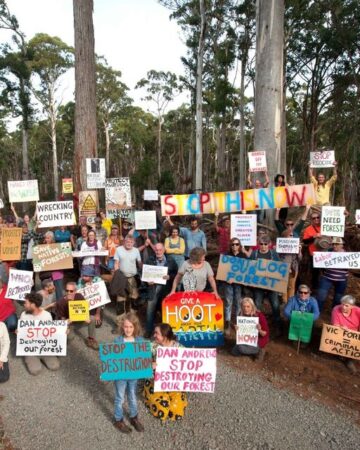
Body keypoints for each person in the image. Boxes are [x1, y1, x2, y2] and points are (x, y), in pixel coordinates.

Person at [143, 323, 187, 421]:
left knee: (177, 411)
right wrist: (150, 365)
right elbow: (139, 360)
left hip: (173, 383)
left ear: (165, 336)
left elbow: (188, 366)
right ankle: (149, 396)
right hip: (154, 381)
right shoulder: (151, 346)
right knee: (162, 407)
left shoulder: (179, 348)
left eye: (156, 333)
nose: (154, 335)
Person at [113, 313, 145, 433]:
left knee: (132, 395)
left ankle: (134, 417)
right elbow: (111, 358)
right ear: (122, 327)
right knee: (120, 397)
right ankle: (118, 419)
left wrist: (150, 364)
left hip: (133, 375)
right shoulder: (118, 341)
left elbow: (143, 358)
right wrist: (107, 369)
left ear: (135, 327)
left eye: (131, 327)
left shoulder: (140, 341)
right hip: (120, 376)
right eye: (126, 326)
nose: (128, 329)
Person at [20, 292, 60, 375]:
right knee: (35, 371)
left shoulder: (47, 315)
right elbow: (22, 333)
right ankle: (33, 358)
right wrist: (19, 332)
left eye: (26, 303)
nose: (24, 305)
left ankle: (44, 356)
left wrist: (63, 332)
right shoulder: (23, 315)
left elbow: (51, 333)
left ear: (33, 305)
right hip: (31, 349)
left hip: (45, 347)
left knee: (55, 366)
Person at [143, 243, 178, 338]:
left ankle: (165, 333)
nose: (158, 252)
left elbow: (177, 274)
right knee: (150, 311)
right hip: (153, 289)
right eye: (156, 250)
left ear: (164, 250)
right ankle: (149, 331)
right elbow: (144, 274)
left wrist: (170, 276)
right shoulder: (149, 260)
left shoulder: (171, 260)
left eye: (160, 250)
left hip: (166, 290)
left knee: (165, 311)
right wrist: (147, 281)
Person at [250, 236, 282, 335]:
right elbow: (250, 268)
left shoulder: (273, 254)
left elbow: (279, 267)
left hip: (271, 285)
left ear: (269, 244)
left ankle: (278, 327)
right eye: (261, 244)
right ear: (258, 244)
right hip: (258, 285)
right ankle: (255, 327)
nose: (263, 246)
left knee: (275, 305)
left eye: (265, 244)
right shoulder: (254, 254)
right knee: (257, 305)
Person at [56, 281, 99, 350]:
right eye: (67, 290)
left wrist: (86, 317)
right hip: (70, 324)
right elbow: (62, 320)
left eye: (71, 291)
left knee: (92, 318)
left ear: (75, 291)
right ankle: (65, 337)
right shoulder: (61, 302)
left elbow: (84, 310)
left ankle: (91, 339)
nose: (68, 293)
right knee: (69, 338)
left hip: (80, 320)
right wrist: (66, 324)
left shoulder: (79, 296)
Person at [224, 238, 251, 334]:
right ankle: (227, 323)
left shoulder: (243, 256)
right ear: (230, 246)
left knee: (238, 303)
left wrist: (244, 280)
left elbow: (247, 270)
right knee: (228, 302)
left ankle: (237, 323)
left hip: (239, 284)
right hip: (229, 283)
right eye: (233, 244)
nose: (234, 246)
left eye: (236, 244)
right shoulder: (226, 256)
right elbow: (223, 270)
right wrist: (226, 278)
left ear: (239, 245)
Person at [113, 235, 142, 320]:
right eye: (127, 242)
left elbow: (140, 264)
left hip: (133, 278)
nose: (129, 243)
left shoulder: (136, 251)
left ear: (134, 243)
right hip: (122, 277)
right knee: (120, 300)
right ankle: (120, 322)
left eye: (131, 242)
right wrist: (117, 275)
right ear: (124, 242)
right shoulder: (119, 249)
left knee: (134, 299)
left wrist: (148, 271)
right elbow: (116, 263)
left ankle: (132, 320)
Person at [316, 237, 349, 311]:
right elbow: (320, 261)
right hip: (327, 277)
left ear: (342, 245)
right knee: (321, 295)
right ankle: (317, 313)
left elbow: (351, 265)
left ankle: (335, 314)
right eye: (333, 244)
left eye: (337, 244)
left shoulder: (348, 255)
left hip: (341, 279)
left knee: (338, 298)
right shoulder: (328, 253)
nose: (334, 246)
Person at [278, 229, 302, 303]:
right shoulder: (280, 245)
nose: (291, 237)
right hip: (284, 268)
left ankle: (291, 303)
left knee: (292, 286)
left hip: (294, 268)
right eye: (289, 235)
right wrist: (286, 267)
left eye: (292, 235)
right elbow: (278, 258)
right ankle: (285, 302)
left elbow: (300, 259)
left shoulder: (296, 245)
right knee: (283, 286)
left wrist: (299, 251)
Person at [42, 231, 65, 301]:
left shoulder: (58, 247)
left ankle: (60, 309)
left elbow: (63, 258)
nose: (46, 240)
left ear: (52, 239)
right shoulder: (41, 248)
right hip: (47, 275)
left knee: (59, 294)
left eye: (48, 238)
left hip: (57, 274)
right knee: (49, 294)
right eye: (46, 238)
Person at [302, 211, 322, 290]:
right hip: (314, 254)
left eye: (318, 217)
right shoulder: (308, 229)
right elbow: (305, 241)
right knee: (315, 273)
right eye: (314, 218)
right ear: (311, 220)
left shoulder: (326, 226)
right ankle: (315, 289)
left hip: (327, 253)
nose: (316, 219)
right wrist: (313, 237)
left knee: (326, 272)